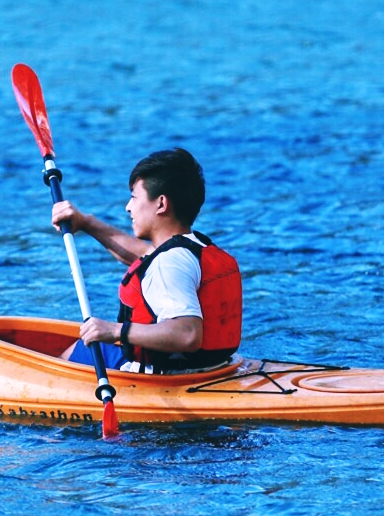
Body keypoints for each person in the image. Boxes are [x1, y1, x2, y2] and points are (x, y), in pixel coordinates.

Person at [51, 147, 242, 374]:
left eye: (134, 197)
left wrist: (115, 330)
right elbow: (141, 256)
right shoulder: (191, 247)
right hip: (217, 367)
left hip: (166, 377)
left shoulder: (168, 264)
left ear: (161, 204)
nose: (128, 207)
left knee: (79, 352)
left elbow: (188, 334)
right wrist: (86, 223)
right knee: (89, 347)